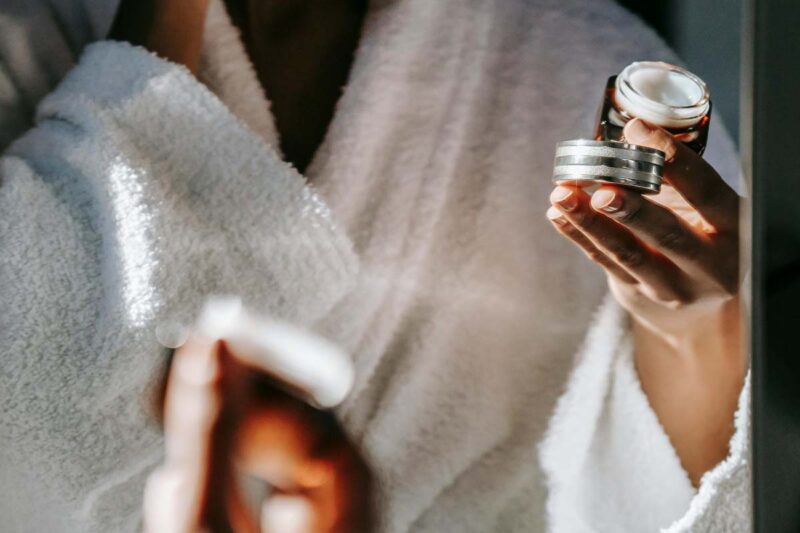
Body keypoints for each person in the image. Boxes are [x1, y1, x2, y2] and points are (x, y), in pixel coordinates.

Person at [0, 0, 749, 531]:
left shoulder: (579, 61)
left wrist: (692, 327)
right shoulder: (25, 32)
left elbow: (657, 504)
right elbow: (25, 435)